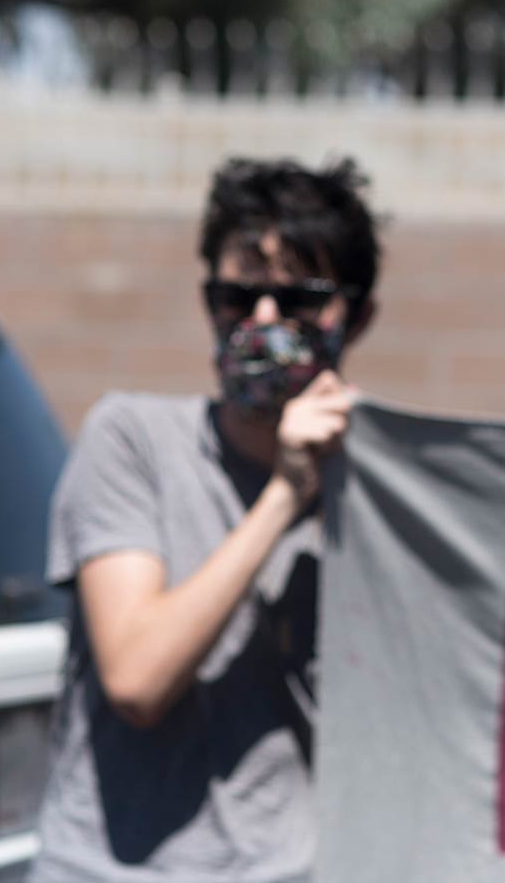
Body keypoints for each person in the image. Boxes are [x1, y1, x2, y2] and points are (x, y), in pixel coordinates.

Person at [31, 157, 378, 882]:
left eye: (298, 300)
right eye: (237, 295)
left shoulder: (382, 492)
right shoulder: (132, 440)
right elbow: (136, 679)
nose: (261, 321)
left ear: (358, 315)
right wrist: (283, 496)